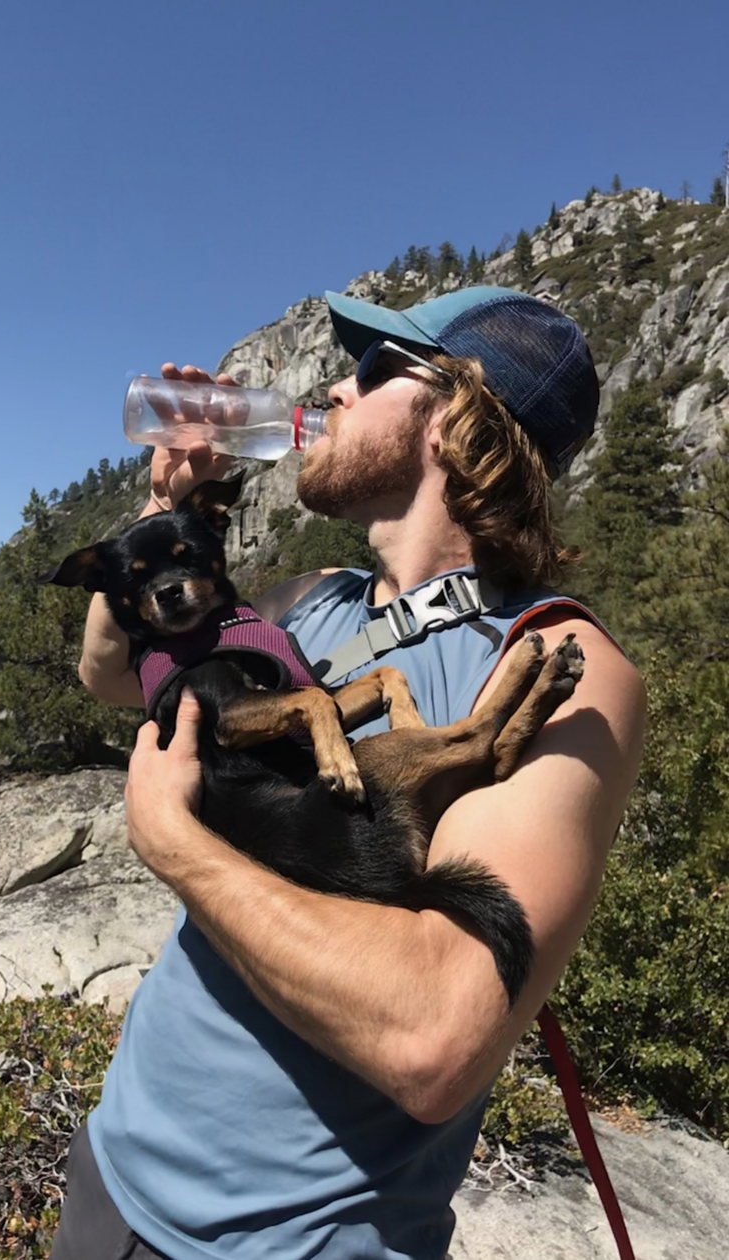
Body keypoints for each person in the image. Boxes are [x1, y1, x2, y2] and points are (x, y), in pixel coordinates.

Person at [49, 285, 646, 1260]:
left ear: (452, 417)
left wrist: (179, 848)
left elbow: (434, 1036)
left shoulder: (565, 664)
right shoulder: (308, 603)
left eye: (371, 371)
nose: (331, 386)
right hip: (113, 1175)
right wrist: (162, 507)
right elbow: (113, 673)